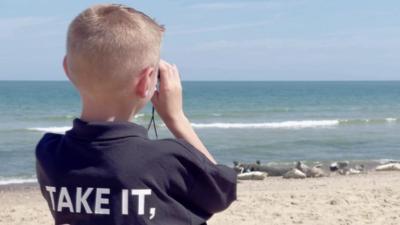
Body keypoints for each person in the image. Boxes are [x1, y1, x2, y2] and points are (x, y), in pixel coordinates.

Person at [35, 3, 237, 225]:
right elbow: (222, 191)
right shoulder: (167, 160)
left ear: (67, 70)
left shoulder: (49, 153)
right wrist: (176, 118)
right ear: (146, 81)